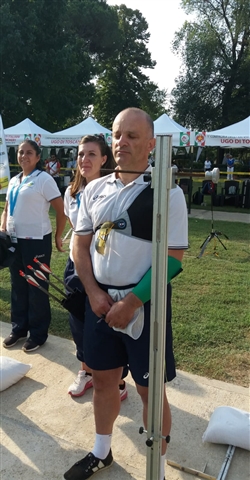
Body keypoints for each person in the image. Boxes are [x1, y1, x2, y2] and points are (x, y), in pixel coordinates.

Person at [63, 108, 188, 480]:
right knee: (103, 382)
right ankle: (102, 451)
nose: (122, 142)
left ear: (151, 143)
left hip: (145, 309)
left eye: (132, 136)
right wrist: (94, 293)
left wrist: (132, 302)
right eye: (117, 135)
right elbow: (78, 248)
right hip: (99, 305)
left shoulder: (167, 192)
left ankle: (158, 469)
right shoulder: (96, 187)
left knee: (150, 392)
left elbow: (174, 259)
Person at [64, 135, 127, 400]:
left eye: (91, 154)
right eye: (80, 154)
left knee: (108, 327)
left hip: (103, 268)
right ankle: (86, 372)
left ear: (104, 159)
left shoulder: (114, 191)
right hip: (76, 267)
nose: (84, 159)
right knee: (78, 322)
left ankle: (119, 381)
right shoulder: (72, 192)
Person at [1, 139, 66, 352]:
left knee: (37, 287)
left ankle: (38, 334)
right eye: (21, 152)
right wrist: (3, 229)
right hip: (15, 241)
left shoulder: (43, 179)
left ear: (38, 157)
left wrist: (58, 236)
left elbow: (60, 209)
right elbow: (8, 207)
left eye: (29, 153)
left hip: (37, 241)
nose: (24, 156)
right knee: (18, 286)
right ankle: (19, 328)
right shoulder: (15, 180)